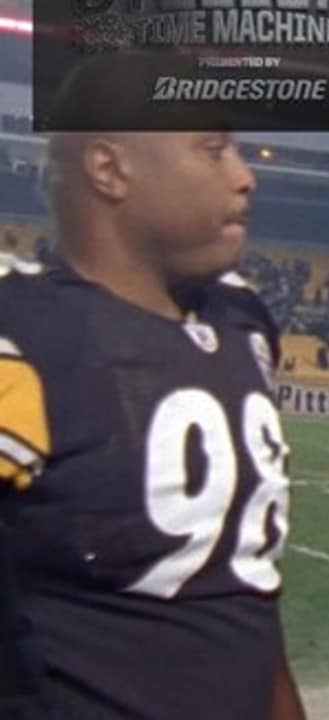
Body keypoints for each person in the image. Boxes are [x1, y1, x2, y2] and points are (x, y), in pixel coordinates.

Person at [0, 127, 305, 715]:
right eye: (213, 150)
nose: (244, 175)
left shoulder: (240, 320)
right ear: (109, 169)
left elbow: (244, 595)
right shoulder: (25, 333)